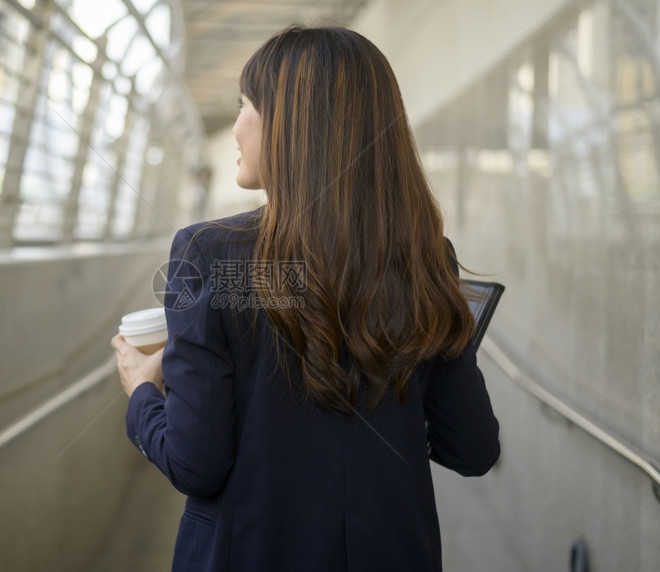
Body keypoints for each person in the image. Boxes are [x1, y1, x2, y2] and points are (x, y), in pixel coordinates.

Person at [111, 26, 500, 572]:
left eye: (247, 106)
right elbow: (473, 448)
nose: (238, 128)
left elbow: (194, 464)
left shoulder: (208, 254)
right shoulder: (425, 256)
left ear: (295, 127)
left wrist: (141, 394)